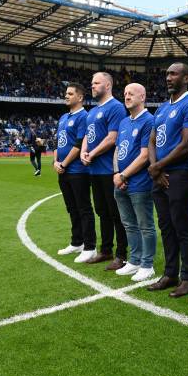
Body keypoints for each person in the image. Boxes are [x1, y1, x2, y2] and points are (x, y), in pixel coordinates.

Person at [147, 63, 188, 297]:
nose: (168, 77)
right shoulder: (161, 110)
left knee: (183, 226)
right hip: (159, 175)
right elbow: (152, 140)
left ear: (186, 78)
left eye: (173, 73)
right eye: (167, 73)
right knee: (166, 226)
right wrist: (154, 168)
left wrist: (158, 166)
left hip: (181, 174)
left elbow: (186, 145)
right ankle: (170, 274)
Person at [81, 72, 129, 269]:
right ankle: (106, 249)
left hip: (110, 170)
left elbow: (112, 138)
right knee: (102, 211)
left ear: (108, 85)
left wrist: (92, 154)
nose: (92, 86)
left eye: (96, 83)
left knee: (116, 213)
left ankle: (122, 254)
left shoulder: (116, 107)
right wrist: (84, 150)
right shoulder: (92, 111)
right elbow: (87, 135)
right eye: (91, 82)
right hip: (95, 171)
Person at [112, 83, 157, 282]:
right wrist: (116, 172)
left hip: (139, 183)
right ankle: (134, 260)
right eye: (125, 94)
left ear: (143, 96)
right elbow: (117, 150)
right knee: (129, 224)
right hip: (120, 181)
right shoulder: (123, 122)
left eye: (131, 93)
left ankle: (147, 265)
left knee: (145, 225)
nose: (127, 96)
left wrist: (123, 176)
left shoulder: (149, 121)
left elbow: (145, 155)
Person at [55, 83, 97, 261]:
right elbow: (58, 142)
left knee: (83, 208)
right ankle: (76, 242)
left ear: (80, 97)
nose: (66, 96)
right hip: (62, 170)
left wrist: (63, 163)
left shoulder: (84, 117)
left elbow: (79, 144)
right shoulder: (63, 117)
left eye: (70, 93)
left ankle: (90, 246)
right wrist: (55, 161)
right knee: (71, 208)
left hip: (77, 170)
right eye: (66, 93)